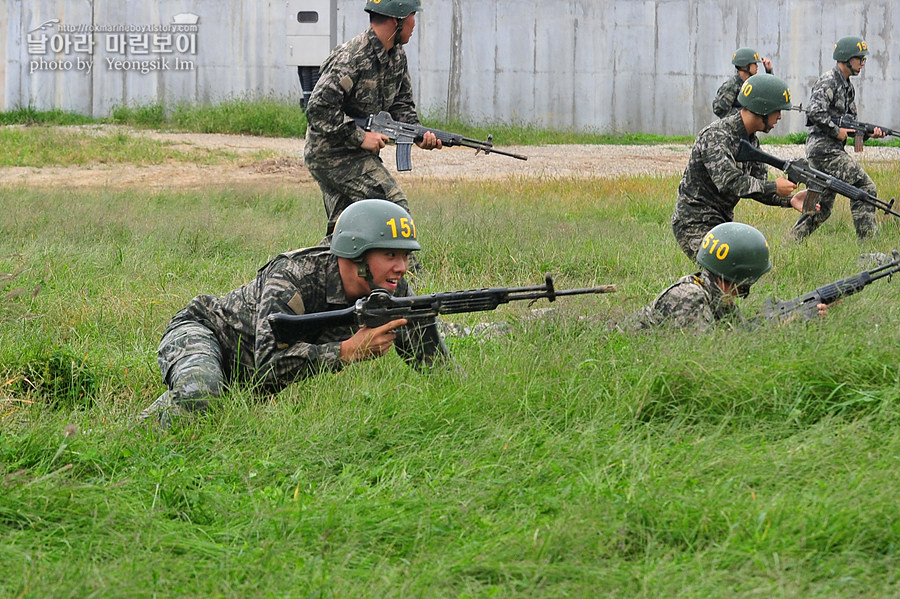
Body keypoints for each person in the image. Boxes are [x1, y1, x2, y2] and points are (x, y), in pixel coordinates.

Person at [138, 200, 449, 427]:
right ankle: (134, 437)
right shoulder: (293, 277)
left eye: (406, 255)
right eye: (390, 254)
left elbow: (435, 366)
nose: (402, 267)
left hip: (246, 377)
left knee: (215, 403)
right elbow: (268, 364)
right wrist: (347, 351)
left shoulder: (392, 289)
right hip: (206, 333)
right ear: (357, 254)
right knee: (201, 396)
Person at [303, 0, 442, 237]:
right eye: (411, 16)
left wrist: (418, 134)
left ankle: (316, 271)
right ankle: (407, 273)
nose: (414, 23)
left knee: (344, 231)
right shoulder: (352, 58)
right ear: (395, 20)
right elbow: (318, 108)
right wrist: (360, 138)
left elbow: (401, 105)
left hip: (354, 154)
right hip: (332, 154)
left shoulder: (396, 56)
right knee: (392, 208)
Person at [671, 73, 807, 261]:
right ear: (762, 109)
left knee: (746, 269)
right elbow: (730, 182)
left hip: (721, 222)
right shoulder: (716, 136)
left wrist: (789, 200)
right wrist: (774, 186)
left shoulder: (750, 141)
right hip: (693, 221)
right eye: (777, 110)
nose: (780, 117)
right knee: (724, 272)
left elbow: (756, 187)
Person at [628, 222, 827, 331]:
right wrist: (782, 327)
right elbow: (708, 357)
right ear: (741, 277)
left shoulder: (719, 297)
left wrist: (793, 317)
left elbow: (741, 334)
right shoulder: (689, 297)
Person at [790, 36, 884, 242]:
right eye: (860, 59)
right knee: (864, 187)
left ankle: (790, 242)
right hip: (824, 149)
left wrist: (867, 133)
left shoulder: (848, 87)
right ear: (846, 58)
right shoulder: (829, 81)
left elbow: (851, 126)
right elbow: (815, 112)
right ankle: (868, 244)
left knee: (821, 208)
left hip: (830, 150)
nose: (863, 63)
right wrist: (836, 131)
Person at [712, 47, 775, 118]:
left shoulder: (751, 83)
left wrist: (769, 71)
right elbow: (719, 110)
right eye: (754, 63)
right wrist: (742, 115)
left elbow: (769, 94)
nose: (757, 66)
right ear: (745, 66)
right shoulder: (732, 85)